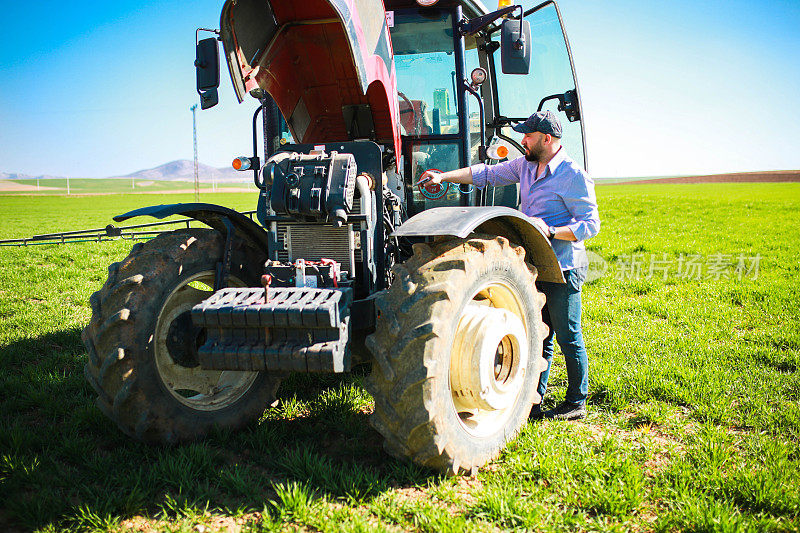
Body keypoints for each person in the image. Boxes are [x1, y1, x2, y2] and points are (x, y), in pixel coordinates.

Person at [417, 110, 600, 420]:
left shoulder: (573, 175)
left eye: (527, 136)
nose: (522, 141)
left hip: (564, 266)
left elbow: (591, 224)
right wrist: (444, 176)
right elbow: (485, 174)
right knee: (540, 333)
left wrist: (552, 230)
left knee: (567, 333)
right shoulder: (525, 166)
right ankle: (534, 399)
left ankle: (576, 401)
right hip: (535, 263)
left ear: (546, 139)